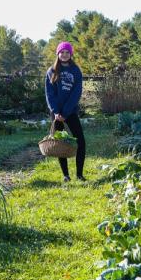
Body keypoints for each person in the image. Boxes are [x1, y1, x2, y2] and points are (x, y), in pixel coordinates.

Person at [45, 41, 86, 182]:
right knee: (60, 143)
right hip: (56, 113)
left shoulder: (76, 71)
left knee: (81, 142)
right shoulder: (51, 71)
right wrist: (56, 112)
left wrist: (66, 112)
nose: (64, 54)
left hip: (70, 111)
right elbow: (49, 94)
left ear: (71, 54)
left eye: (67, 52)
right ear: (58, 53)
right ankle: (65, 175)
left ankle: (80, 175)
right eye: (62, 52)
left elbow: (76, 93)